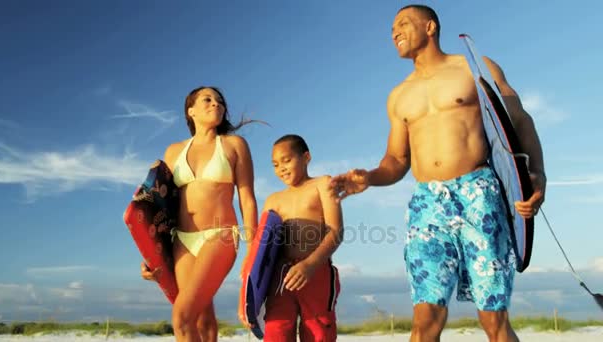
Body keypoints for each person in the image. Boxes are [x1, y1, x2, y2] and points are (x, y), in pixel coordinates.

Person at [329, 4, 546, 342]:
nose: (394, 32)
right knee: (425, 319)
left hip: (479, 193)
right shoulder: (398, 96)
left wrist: (538, 177)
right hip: (428, 203)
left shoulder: (475, 68)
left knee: (493, 319)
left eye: (403, 23)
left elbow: (520, 121)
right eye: (391, 29)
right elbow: (396, 161)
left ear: (430, 27)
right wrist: (369, 177)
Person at [141, 86, 258, 342]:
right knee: (202, 320)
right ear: (190, 111)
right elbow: (160, 208)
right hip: (181, 240)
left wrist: (253, 249)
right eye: (207, 100)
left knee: (181, 317)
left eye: (220, 101)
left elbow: (246, 199)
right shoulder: (173, 152)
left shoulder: (234, 144)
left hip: (221, 235)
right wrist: (151, 255)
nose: (216, 104)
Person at [258, 134, 343, 342]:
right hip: (281, 276)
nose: (281, 168)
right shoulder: (273, 200)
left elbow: (336, 231)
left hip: (316, 270)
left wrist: (310, 265)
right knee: (276, 331)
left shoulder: (323, 184)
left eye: (287, 160)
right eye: (275, 164)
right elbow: (260, 248)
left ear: (306, 157)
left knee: (318, 332)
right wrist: (248, 295)